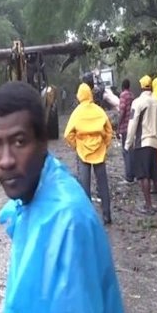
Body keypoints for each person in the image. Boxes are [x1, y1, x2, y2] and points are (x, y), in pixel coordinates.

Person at [0, 81, 134, 313]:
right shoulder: (36, 198)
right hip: (97, 155)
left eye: (19, 142)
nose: (5, 160)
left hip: (86, 156)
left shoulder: (64, 220)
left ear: (42, 141)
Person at [64, 83, 114, 224]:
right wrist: (104, 145)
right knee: (102, 184)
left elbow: (68, 134)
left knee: (85, 186)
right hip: (99, 151)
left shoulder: (77, 113)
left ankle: (87, 218)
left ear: (79, 96)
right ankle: (107, 215)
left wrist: (77, 145)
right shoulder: (99, 111)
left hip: (83, 153)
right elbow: (109, 131)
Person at [125, 75, 157, 214]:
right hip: (154, 142)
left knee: (143, 176)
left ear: (141, 86)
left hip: (142, 142)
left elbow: (132, 124)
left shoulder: (138, 102)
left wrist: (128, 143)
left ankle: (148, 206)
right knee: (156, 174)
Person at [118, 78, 135, 182]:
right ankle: (133, 173)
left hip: (125, 127)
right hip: (132, 126)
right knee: (132, 151)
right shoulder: (132, 96)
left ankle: (129, 176)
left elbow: (122, 111)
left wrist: (118, 126)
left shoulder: (123, 95)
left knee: (126, 151)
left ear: (122, 86)